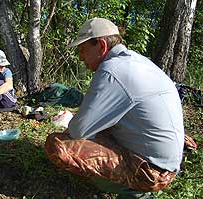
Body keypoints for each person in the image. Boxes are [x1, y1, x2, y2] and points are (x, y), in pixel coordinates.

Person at [44, 18, 184, 199]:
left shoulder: (111, 71)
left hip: (151, 172)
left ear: (101, 45)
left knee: (57, 145)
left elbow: (78, 130)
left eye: (83, 49)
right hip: (167, 160)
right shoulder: (138, 61)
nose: (80, 57)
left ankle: (135, 193)